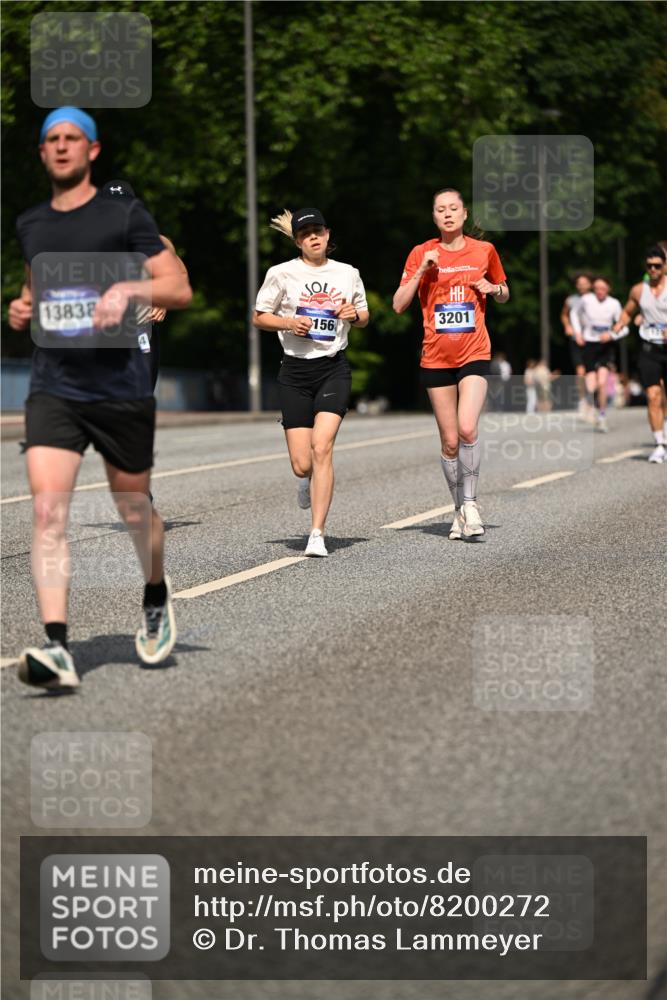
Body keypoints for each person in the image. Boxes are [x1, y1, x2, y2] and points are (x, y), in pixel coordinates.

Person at [7, 107, 192, 691]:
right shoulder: (32, 223)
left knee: (133, 507)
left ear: (91, 150)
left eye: (73, 138)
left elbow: (179, 287)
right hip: (55, 385)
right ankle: (58, 646)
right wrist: (22, 308)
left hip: (120, 385)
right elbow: (36, 288)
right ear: (42, 152)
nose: (62, 146)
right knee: (47, 510)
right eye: (52, 139)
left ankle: (156, 596)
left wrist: (131, 288)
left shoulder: (127, 216)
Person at [392, 188, 509, 539]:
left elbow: (504, 292)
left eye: (453, 208)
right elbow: (398, 305)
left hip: (474, 351)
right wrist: (421, 271)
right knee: (449, 442)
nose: (447, 214)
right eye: (440, 209)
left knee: (467, 428)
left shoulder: (484, 250)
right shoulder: (421, 252)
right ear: (434, 216)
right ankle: (458, 509)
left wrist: (493, 289)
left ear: (464, 213)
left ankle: (470, 503)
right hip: (436, 356)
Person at [253, 207, 369, 557]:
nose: (313, 238)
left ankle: (317, 533)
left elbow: (363, 316)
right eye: (305, 234)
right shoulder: (281, 273)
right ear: (297, 241)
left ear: (327, 234)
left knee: (322, 447)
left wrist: (354, 315)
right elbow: (259, 317)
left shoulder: (348, 273)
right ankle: (305, 480)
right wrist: (289, 323)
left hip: (333, 368)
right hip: (294, 372)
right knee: (302, 464)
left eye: (318, 231)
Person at [613, 245, 667, 462]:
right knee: (653, 395)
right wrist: (620, 323)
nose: (653, 269)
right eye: (649, 266)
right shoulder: (638, 290)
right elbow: (628, 311)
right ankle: (660, 444)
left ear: (665, 266)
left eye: (657, 266)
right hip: (649, 347)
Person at [571, 276, 627, 433]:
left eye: (603, 288)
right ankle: (591, 406)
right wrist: (578, 332)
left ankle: (602, 415)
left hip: (606, 346)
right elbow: (573, 313)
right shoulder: (586, 300)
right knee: (591, 385)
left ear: (609, 289)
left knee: (602, 383)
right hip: (589, 344)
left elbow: (624, 326)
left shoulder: (614, 304)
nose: (599, 291)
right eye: (596, 288)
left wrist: (611, 335)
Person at [560, 272, 592, 416]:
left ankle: (593, 400)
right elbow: (564, 315)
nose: (582, 286)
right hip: (576, 339)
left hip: (593, 339)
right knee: (580, 371)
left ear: (590, 284)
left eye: (585, 283)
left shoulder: (595, 299)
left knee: (592, 372)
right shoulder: (571, 300)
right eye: (579, 283)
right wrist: (568, 326)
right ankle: (582, 400)